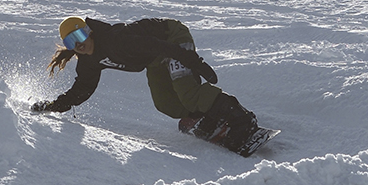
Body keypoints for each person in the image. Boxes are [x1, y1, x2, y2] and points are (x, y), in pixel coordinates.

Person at [29, 16, 265, 156]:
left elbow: (155, 44)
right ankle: (209, 118)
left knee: (188, 93)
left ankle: (242, 120)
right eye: (71, 42)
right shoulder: (88, 61)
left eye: (80, 36)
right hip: (155, 59)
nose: (79, 45)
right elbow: (82, 90)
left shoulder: (115, 40)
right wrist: (54, 106)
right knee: (166, 104)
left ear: (89, 32)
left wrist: (194, 61)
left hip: (171, 40)